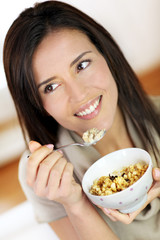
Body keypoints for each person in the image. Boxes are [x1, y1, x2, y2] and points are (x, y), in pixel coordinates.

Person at [3, 1, 160, 239]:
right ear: (37, 103)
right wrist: (75, 205)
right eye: (51, 86)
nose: (79, 95)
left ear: (106, 55)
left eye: (82, 65)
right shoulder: (45, 175)